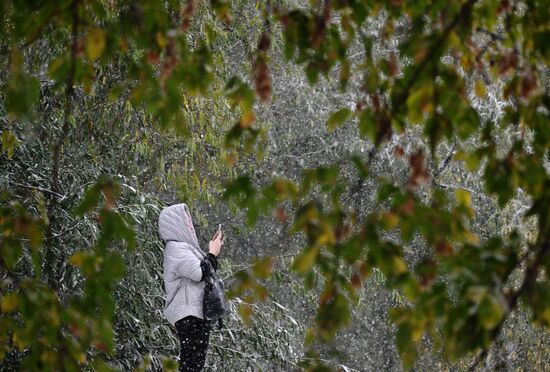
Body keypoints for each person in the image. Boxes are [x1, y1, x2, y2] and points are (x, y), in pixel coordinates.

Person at [158, 203, 224, 372]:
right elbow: (200, 273)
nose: (190, 224)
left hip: (194, 313)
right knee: (192, 363)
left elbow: (206, 271)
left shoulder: (186, 249)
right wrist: (212, 253)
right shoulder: (176, 248)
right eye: (186, 220)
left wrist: (212, 252)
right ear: (176, 224)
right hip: (188, 314)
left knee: (195, 362)